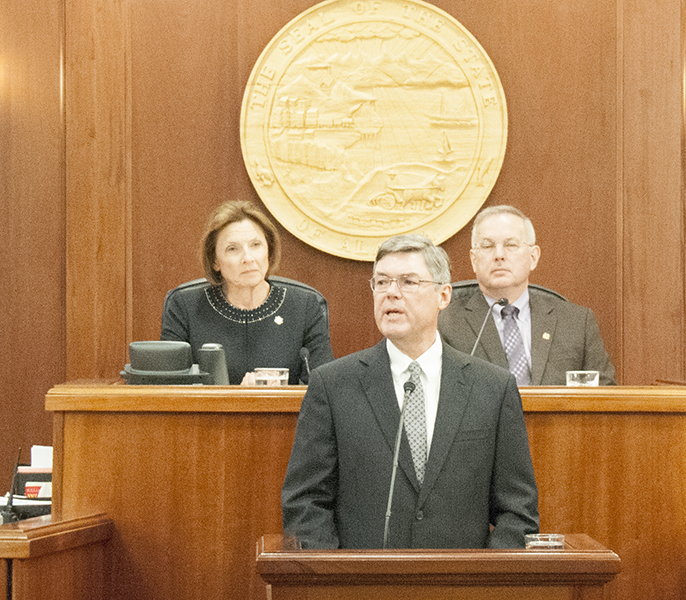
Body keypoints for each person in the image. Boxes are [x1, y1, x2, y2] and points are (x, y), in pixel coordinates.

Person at [281, 234, 539, 549]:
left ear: (443, 295)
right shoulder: (333, 385)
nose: (391, 294)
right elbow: (305, 502)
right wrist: (335, 579)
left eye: (408, 282)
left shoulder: (492, 387)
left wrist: (485, 581)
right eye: (382, 282)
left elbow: (518, 510)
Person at [438, 205, 616, 386]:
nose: (499, 255)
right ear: (473, 260)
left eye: (511, 245)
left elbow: (605, 398)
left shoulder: (575, 323)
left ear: (533, 257)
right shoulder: (445, 323)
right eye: (487, 246)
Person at [160, 200, 334, 384]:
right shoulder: (185, 306)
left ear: (269, 250)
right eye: (233, 249)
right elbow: (167, 390)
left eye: (256, 245)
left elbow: (325, 390)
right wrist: (240, 400)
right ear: (215, 261)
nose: (248, 258)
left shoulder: (304, 306)